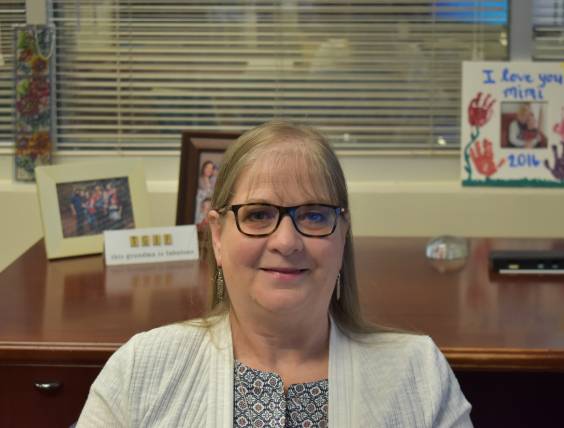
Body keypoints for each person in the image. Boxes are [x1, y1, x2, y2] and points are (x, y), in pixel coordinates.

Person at [77, 121, 472, 427]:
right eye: (259, 215)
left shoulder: (418, 375)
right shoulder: (140, 370)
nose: (287, 241)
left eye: (314, 215)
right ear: (217, 236)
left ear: (343, 234)